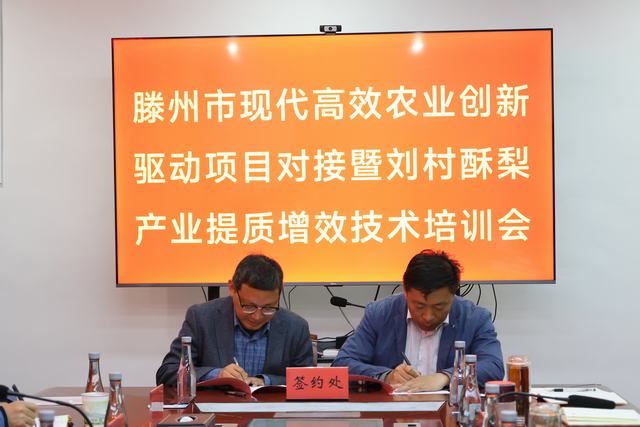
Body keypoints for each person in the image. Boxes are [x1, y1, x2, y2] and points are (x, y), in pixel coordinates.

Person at [332, 249, 504, 391]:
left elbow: (493, 366)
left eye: (439, 307)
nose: (428, 316)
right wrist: (387, 376)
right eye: (419, 306)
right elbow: (342, 364)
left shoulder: (475, 318)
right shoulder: (380, 314)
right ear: (405, 292)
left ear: (453, 294)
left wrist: (446, 377)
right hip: (390, 415)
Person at [156, 254, 313, 386]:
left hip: (274, 412)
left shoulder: (296, 327)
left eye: (269, 308)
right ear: (232, 288)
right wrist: (216, 375)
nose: (257, 316)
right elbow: (167, 372)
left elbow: (309, 381)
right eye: (249, 306)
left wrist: (266, 381)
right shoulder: (201, 318)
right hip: (216, 411)